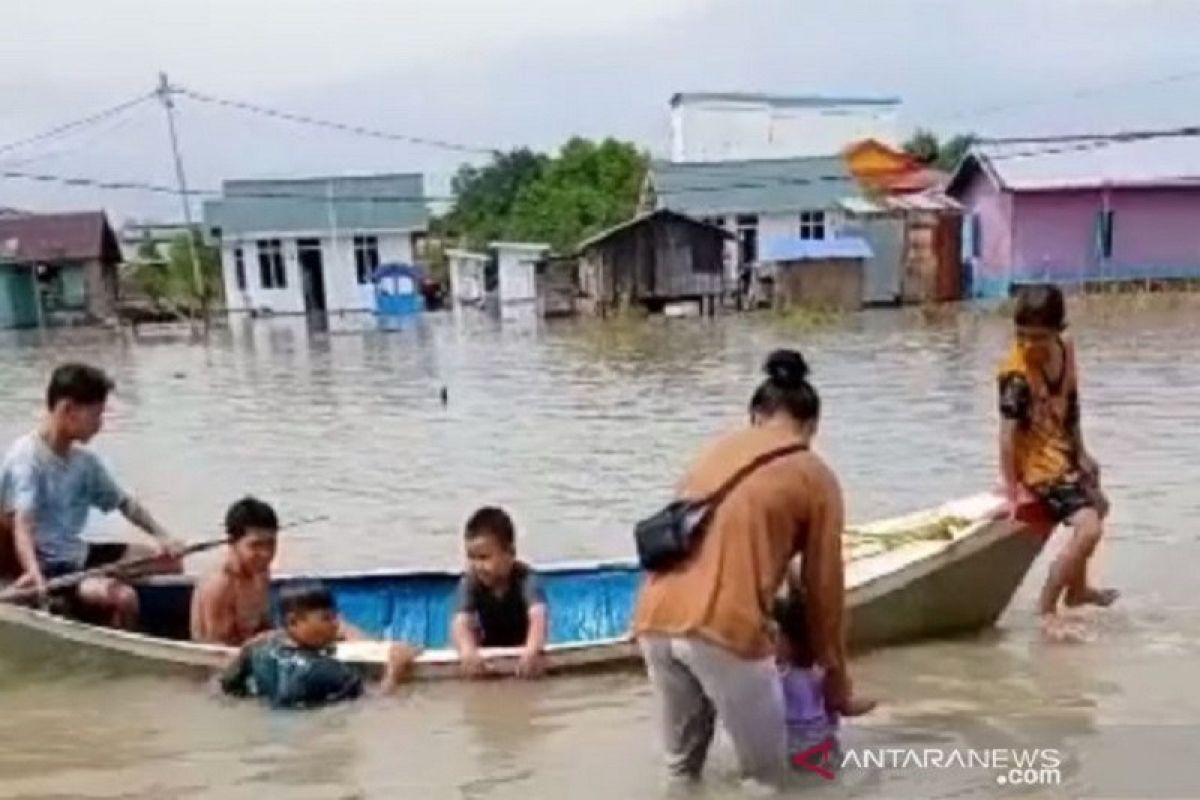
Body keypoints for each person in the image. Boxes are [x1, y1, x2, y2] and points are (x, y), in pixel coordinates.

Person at [632, 349, 868, 786]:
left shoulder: (714, 454)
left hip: (654, 620)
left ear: (755, 415)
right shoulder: (813, 474)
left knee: (681, 774)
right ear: (812, 426)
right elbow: (824, 590)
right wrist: (836, 678)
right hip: (723, 631)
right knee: (770, 780)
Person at [0, 363, 183, 627]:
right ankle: (122, 646)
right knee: (124, 598)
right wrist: (33, 572)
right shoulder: (26, 458)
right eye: (95, 415)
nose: (99, 425)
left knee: (170, 564)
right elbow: (22, 526)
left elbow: (125, 503)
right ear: (67, 410)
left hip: (79, 555)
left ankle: (103, 604)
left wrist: (164, 536)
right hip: (48, 566)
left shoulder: (84, 463)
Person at [998, 284, 1118, 640]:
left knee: (1100, 504)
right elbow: (1006, 437)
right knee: (1089, 528)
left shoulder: (1066, 351)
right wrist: (1011, 491)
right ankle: (1047, 608)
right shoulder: (1016, 375)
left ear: (1058, 331)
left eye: (1039, 337)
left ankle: (1077, 589)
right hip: (1037, 466)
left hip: (1061, 452)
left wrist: (1081, 452)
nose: (1030, 345)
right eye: (1023, 336)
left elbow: (1072, 405)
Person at [219, 580, 419, 709]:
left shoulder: (258, 649)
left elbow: (228, 684)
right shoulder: (327, 671)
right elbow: (376, 702)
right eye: (327, 618)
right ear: (294, 622)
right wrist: (395, 669)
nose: (336, 625)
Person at [773, 591, 875, 776]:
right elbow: (845, 707)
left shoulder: (781, 678)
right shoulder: (823, 675)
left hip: (797, 756)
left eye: (776, 637)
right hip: (827, 749)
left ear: (788, 643)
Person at [451, 506, 548, 679]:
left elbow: (538, 616)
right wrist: (467, 651)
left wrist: (532, 650)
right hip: (486, 648)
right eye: (471, 557)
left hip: (522, 644)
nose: (477, 566)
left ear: (510, 553)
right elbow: (460, 623)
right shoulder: (470, 583)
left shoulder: (525, 579)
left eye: (484, 558)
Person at [191, 497, 279, 646]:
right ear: (232, 542)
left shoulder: (261, 571)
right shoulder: (220, 585)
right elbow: (217, 646)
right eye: (255, 545)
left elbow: (264, 625)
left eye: (271, 544)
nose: (266, 553)